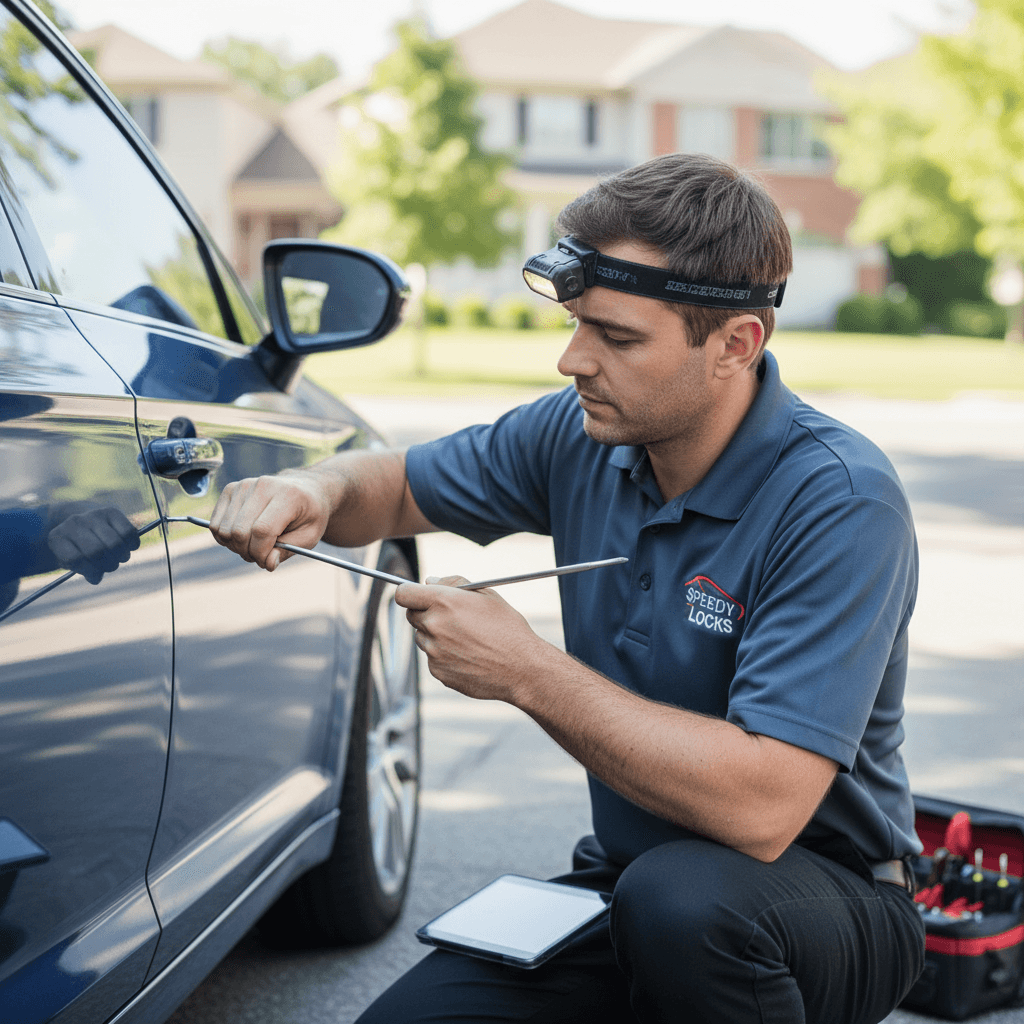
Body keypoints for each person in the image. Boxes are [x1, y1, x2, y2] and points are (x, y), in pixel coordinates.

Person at [209, 153, 925, 1023]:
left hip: (821, 904)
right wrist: (315, 490)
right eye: (578, 322)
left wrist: (526, 671)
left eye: (617, 337)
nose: (571, 360)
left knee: (685, 905)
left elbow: (763, 806)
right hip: (627, 890)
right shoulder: (583, 432)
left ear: (736, 344)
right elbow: (395, 487)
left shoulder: (839, 501)